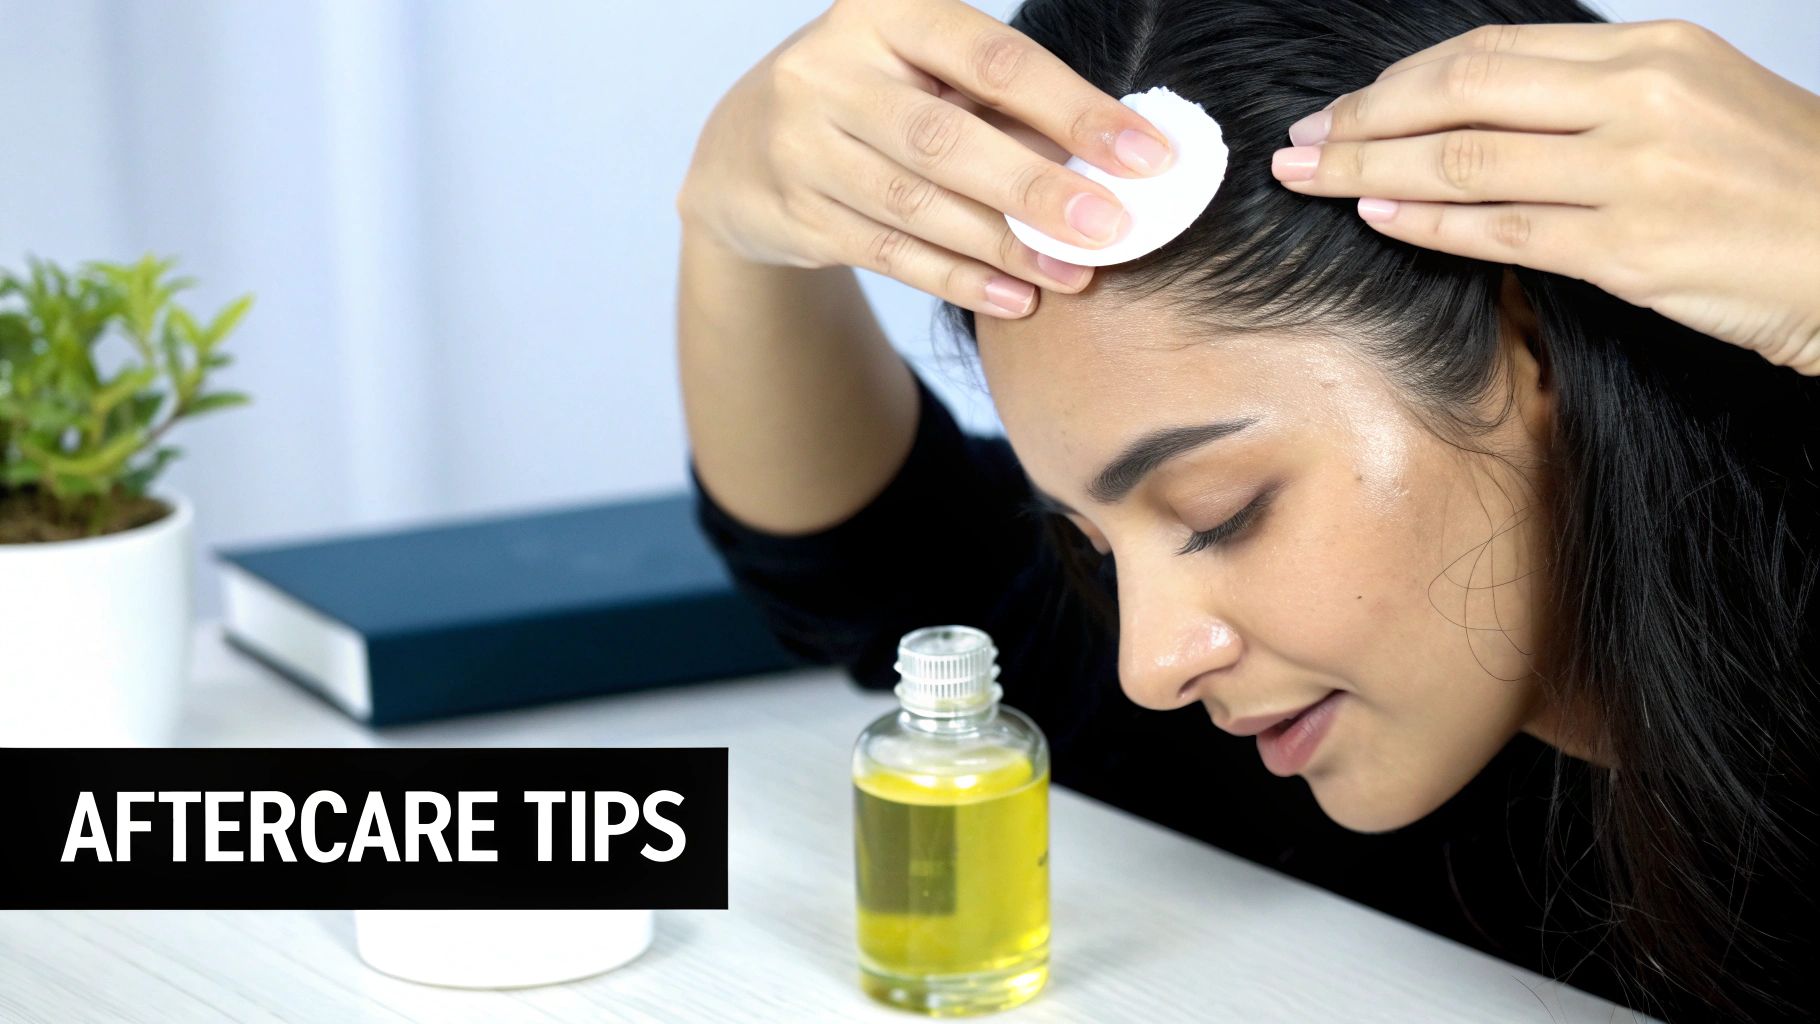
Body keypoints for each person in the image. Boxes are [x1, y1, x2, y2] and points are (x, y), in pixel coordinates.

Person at [674, 0, 1820, 1019]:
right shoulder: (1299, 724)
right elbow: (881, 570)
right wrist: (735, 234)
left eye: (1218, 512)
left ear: (1526, 345)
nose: (1153, 664)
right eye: (1094, 544)